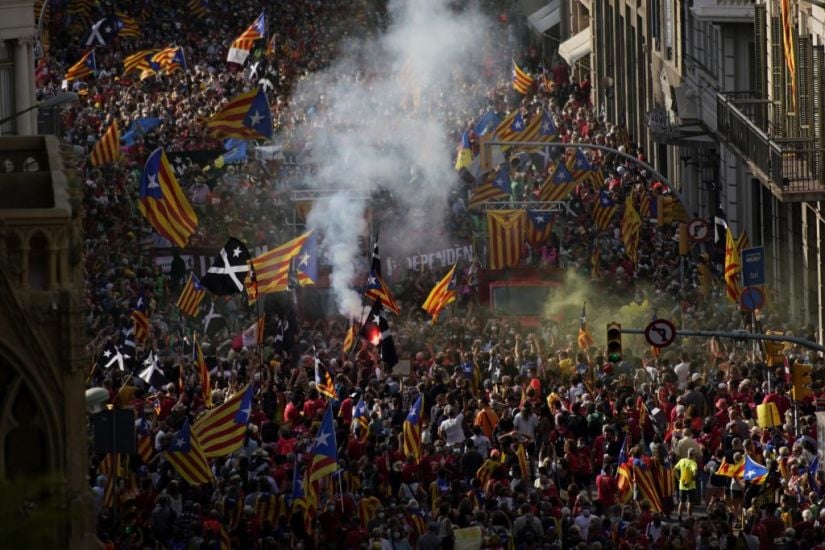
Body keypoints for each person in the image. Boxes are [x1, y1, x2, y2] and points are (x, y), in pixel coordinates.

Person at [674, 448, 699, 520]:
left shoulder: (682, 460)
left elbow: (675, 469)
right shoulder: (693, 463)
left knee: (682, 502)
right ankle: (689, 517)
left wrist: (678, 478)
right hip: (691, 486)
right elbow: (695, 471)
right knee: (690, 502)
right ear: (693, 455)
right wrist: (693, 477)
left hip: (682, 485)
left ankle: (679, 517)